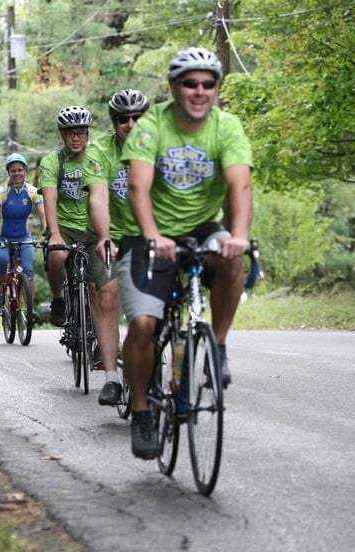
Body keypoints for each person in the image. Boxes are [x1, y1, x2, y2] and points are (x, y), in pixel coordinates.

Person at [117, 47, 253, 459]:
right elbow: (138, 186)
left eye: (208, 84)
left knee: (231, 258)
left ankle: (221, 344)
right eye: (190, 84)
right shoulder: (152, 125)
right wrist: (154, 234)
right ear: (175, 87)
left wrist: (239, 235)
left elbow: (240, 186)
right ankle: (141, 410)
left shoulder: (227, 127)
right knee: (143, 325)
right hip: (152, 232)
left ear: (216, 88)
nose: (199, 91)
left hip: (203, 227)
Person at [38, 106, 123, 401]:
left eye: (80, 133)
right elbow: (49, 198)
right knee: (57, 256)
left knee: (100, 288)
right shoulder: (52, 162)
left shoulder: (96, 157)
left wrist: (105, 235)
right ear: (62, 135)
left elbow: (103, 196)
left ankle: (101, 344)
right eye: (70, 133)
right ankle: (60, 300)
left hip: (92, 230)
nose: (76, 138)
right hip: (65, 227)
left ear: (87, 134)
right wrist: (55, 233)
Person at [83, 89, 150, 406]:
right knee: (108, 295)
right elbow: (98, 197)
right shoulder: (99, 151)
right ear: (114, 123)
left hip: (153, 233)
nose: (130, 123)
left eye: (137, 117)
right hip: (116, 234)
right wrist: (104, 236)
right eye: (123, 119)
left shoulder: (160, 145)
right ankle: (111, 378)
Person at [0, 153, 46, 316]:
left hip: (23, 237)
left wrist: (48, 232)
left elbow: (42, 213)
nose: (17, 173)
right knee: (0, 261)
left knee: (27, 269)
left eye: (20, 170)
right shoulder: (1, 192)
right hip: (1, 237)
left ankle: (30, 308)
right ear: (8, 173)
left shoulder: (33, 192)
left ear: (25, 171)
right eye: (13, 171)